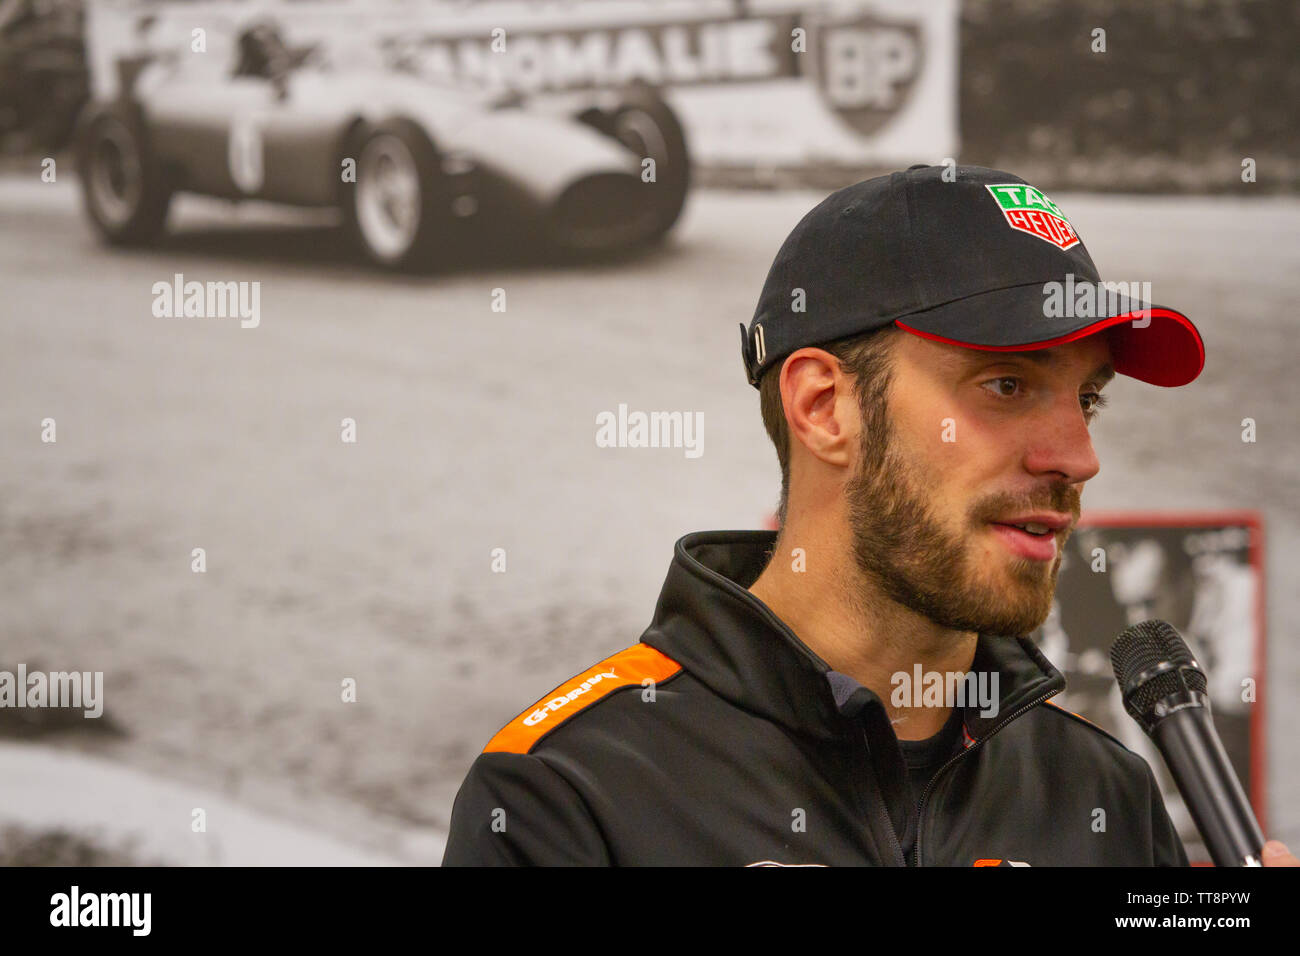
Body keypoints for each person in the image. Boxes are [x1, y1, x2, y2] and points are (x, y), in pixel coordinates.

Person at [442, 164, 1296, 866]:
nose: (1077, 457)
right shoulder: (567, 798)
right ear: (824, 408)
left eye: (1089, 401)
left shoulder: (1108, 796)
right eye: (1006, 385)